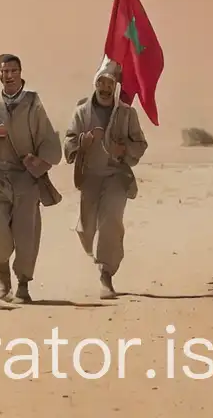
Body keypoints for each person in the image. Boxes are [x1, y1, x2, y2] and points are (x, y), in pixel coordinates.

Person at [0, 52, 62, 303]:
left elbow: (49, 141)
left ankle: (22, 284)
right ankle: (2, 271)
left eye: (13, 71)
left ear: (20, 73)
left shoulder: (33, 103)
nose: (8, 75)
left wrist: (39, 162)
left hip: (26, 178)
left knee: (25, 234)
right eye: (4, 71)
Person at [63, 58, 148, 298]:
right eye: (101, 81)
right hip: (89, 177)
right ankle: (93, 246)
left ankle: (105, 274)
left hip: (116, 176)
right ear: (95, 83)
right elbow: (68, 141)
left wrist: (126, 150)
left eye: (109, 83)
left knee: (110, 222)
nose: (104, 87)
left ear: (115, 86)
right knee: (87, 229)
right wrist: (82, 142)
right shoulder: (82, 112)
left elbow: (140, 144)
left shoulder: (127, 114)